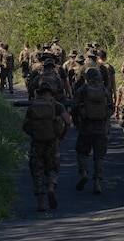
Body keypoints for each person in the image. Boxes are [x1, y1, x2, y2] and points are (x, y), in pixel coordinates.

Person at [22, 82, 71, 211]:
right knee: (52, 168)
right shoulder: (57, 105)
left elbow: (26, 125)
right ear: (52, 92)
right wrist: (62, 135)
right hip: (52, 142)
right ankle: (50, 187)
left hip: (36, 143)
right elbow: (67, 121)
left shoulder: (33, 105)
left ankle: (40, 203)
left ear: (38, 92)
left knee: (37, 171)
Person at [71, 67, 114, 194]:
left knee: (82, 152)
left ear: (87, 78)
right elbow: (110, 106)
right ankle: (97, 182)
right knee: (99, 156)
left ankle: (84, 172)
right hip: (101, 127)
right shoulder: (104, 90)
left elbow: (74, 108)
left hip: (86, 127)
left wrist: (77, 122)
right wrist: (105, 119)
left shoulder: (82, 90)